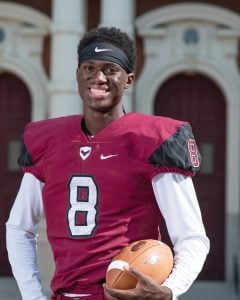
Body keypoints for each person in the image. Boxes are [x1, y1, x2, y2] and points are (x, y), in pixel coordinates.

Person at [6, 26, 209, 300]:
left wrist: (170, 290)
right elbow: (19, 227)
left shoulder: (153, 139)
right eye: (88, 68)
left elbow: (192, 237)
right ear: (78, 74)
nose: (98, 77)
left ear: (128, 79)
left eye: (110, 69)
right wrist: (32, 296)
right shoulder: (48, 141)